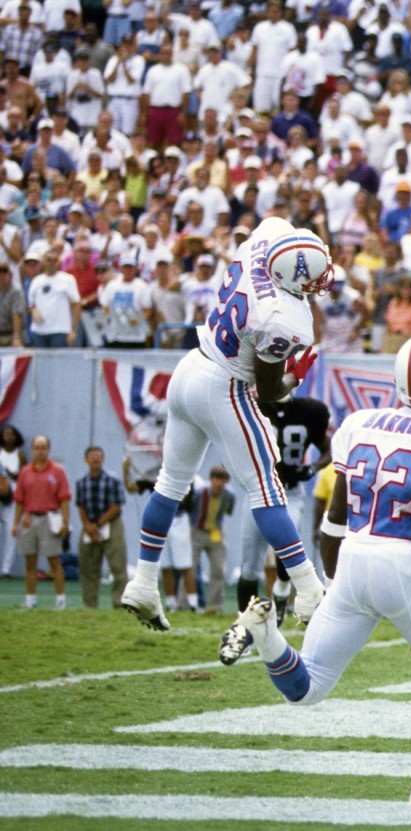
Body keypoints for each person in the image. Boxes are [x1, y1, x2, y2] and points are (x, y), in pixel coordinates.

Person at [219, 333, 411, 810]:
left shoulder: (360, 423)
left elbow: (333, 521)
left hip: (353, 557)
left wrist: (334, 586)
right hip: (410, 560)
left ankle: (266, 633)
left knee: (307, 690)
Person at [120, 217, 332, 634]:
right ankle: (308, 588)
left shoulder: (264, 241)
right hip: (225, 385)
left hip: (192, 366)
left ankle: (143, 581)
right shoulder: (281, 319)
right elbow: (270, 391)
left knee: (170, 483)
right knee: (267, 489)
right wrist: (295, 376)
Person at [239, 394, 331, 622]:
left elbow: (329, 449)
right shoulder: (250, 406)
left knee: (287, 552)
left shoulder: (306, 411)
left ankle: (281, 595)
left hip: (291, 492)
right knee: (249, 564)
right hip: (257, 489)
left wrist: (312, 468)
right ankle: (245, 625)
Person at [12, 435, 71, 609]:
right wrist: (16, 524)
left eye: (43, 447)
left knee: (54, 561)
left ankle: (60, 600)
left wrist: (65, 522)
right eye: (37, 447)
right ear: (32, 450)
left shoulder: (57, 471)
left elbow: (64, 499)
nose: (40, 451)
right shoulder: (25, 472)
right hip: (29, 518)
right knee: (30, 561)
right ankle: (30, 600)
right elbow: (19, 500)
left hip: (49, 518)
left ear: (48, 450)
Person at [74, 445, 127, 609]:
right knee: (88, 568)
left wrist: (98, 524)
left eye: (98, 456)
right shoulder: (81, 482)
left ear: (103, 459)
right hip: (89, 525)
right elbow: (80, 505)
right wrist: (88, 527)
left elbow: (117, 505)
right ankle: (90, 605)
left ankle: (119, 604)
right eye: (92, 456)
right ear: (86, 460)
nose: (95, 459)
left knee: (118, 567)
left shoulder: (113, 479)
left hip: (111, 524)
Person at [187, 465, 236, 614]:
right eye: (216, 479)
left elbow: (228, 511)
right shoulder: (199, 493)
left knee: (218, 569)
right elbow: (191, 509)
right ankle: (184, 604)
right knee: (189, 568)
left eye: (222, 480)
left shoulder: (229, 495)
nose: (219, 484)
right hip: (197, 531)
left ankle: (215, 605)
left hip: (216, 532)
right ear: (211, 479)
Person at [0, 424, 27, 579]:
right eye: (6, 434)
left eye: (11, 434)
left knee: (12, 531)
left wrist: (10, 474)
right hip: (0, 494)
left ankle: (6, 569)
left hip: (14, 498)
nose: (8, 437)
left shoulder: (20, 455)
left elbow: (24, 477)